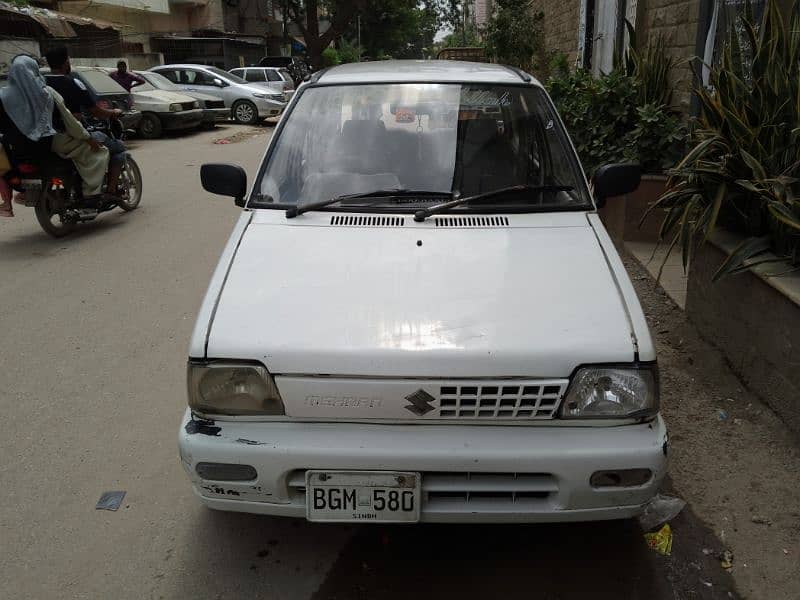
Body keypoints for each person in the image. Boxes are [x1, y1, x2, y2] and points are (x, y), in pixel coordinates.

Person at [0, 55, 110, 208]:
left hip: (17, 150)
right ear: (34, 71)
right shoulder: (46, 93)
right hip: (48, 143)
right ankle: (91, 192)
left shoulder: (3, 96)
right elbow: (69, 120)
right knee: (99, 152)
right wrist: (87, 138)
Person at [44, 47, 126, 195]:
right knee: (119, 148)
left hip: (49, 137)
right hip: (73, 135)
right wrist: (113, 112)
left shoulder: (43, 84)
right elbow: (95, 111)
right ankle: (111, 189)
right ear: (65, 62)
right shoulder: (73, 83)